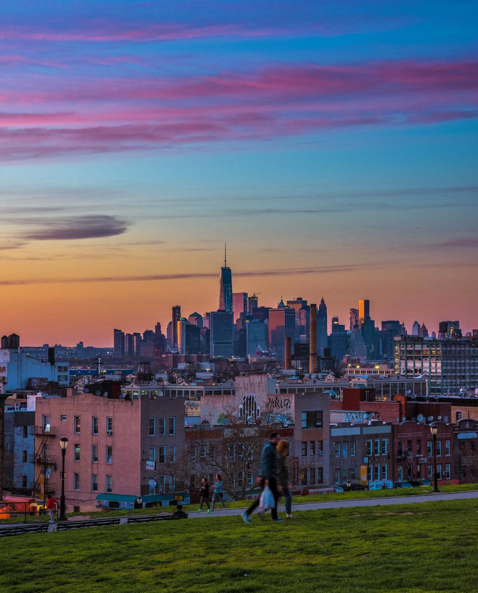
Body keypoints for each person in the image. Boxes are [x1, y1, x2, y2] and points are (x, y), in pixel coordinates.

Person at [242, 432, 282, 524]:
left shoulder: (271, 448)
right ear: (272, 438)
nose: (278, 441)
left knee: (272, 496)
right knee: (273, 495)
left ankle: (264, 513)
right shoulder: (268, 448)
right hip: (268, 477)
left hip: (269, 476)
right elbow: (266, 464)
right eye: (277, 439)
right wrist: (267, 478)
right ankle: (249, 513)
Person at [277, 440, 296, 519]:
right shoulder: (279, 459)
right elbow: (278, 472)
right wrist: (278, 484)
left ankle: (288, 514)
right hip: (281, 483)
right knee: (285, 497)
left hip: (283, 482)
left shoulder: (282, 458)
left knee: (287, 496)